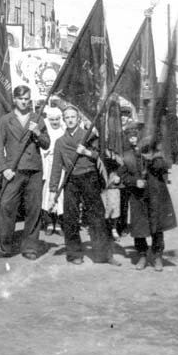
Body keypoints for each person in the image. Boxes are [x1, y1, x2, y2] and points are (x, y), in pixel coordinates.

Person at [50, 106, 119, 265]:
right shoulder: (60, 142)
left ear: (78, 118)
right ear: (64, 120)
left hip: (89, 177)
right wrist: (53, 190)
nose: (70, 119)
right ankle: (74, 253)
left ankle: (104, 254)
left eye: (73, 116)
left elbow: (101, 156)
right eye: (67, 117)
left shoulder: (88, 136)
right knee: (70, 216)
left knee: (97, 215)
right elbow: (56, 167)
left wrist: (87, 152)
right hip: (71, 180)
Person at [0, 85, 50, 260]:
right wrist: (4, 169)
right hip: (13, 170)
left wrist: (38, 133)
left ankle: (30, 247)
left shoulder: (37, 119)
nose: (24, 102)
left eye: (27, 98)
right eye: (21, 98)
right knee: (7, 206)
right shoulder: (5, 119)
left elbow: (46, 144)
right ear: (15, 100)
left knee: (33, 208)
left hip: (33, 169)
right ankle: (6, 247)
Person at [119, 135, 177, 271]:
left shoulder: (157, 153)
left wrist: (153, 158)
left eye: (138, 138)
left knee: (156, 226)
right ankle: (142, 255)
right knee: (139, 227)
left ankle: (157, 256)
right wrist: (134, 182)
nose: (135, 141)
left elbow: (165, 165)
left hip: (156, 194)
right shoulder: (127, 156)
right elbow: (122, 175)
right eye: (132, 138)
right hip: (137, 197)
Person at [39, 103, 66, 235]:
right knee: (48, 192)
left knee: (61, 193)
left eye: (57, 119)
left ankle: (60, 222)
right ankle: (49, 222)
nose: (54, 122)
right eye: (52, 120)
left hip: (61, 167)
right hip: (48, 165)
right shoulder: (46, 131)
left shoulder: (63, 130)